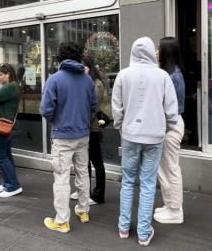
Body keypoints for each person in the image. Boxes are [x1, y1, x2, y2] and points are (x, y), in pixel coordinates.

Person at [112, 37, 178, 246]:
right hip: (154, 136)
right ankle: (143, 232)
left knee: (128, 181)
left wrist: (120, 126)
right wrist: (166, 126)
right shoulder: (162, 76)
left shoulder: (123, 75)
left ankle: (123, 227)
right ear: (152, 53)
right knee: (148, 183)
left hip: (130, 135)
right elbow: (171, 109)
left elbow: (117, 106)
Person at [40, 42, 97, 233]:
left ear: (60, 57)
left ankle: (62, 221)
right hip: (83, 134)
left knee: (62, 178)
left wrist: (59, 120)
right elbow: (94, 107)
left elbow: (45, 109)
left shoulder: (54, 79)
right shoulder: (88, 80)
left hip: (62, 136)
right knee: (83, 172)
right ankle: (83, 210)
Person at [154, 37, 186, 224]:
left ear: (166, 52)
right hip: (169, 125)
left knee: (170, 169)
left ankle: (175, 211)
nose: (156, 51)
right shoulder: (171, 73)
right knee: (165, 169)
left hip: (170, 126)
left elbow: (172, 108)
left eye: (159, 48)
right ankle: (170, 205)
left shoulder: (173, 76)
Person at [70, 57, 107, 205]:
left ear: (89, 67)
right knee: (83, 162)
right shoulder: (81, 82)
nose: (81, 69)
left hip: (92, 128)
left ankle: (98, 195)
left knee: (96, 161)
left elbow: (93, 108)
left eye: (83, 66)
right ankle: (83, 190)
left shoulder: (96, 84)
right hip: (82, 127)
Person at [0, 63, 22, 198]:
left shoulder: (10, 87)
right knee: (6, 155)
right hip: (7, 126)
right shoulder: (12, 87)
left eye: (1, 75)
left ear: (8, 74)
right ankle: (8, 183)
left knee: (0, 156)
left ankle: (13, 186)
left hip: (2, 126)